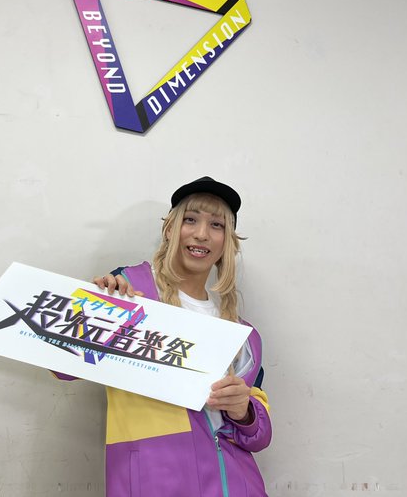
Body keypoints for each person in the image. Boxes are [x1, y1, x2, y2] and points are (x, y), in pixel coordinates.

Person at [59, 177, 271, 496]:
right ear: (170, 228)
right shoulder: (131, 289)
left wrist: (245, 412)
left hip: (238, 485)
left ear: (228, 241)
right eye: (190, 219)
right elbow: (62, 367)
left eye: (216, 225)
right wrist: (97, 312)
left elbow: (258, 435)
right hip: (156, 482)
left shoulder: (245, 336)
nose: (202, 233)